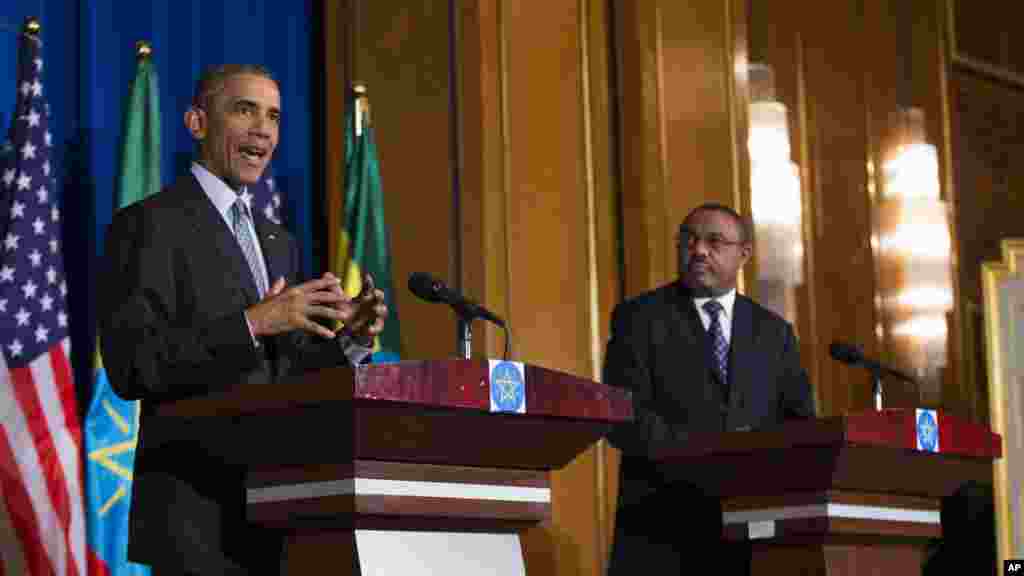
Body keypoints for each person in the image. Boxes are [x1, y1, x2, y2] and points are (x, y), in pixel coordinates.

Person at [99, 64, 388, 575]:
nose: (263, 129)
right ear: (196, 122)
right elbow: (133, 366)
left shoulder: (278, 242)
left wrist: (350, 343)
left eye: (273, 116)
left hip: (280, 513)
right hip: (195, 520)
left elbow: (286, 375)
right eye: (244, 109)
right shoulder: (149, 224)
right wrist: (252, 322)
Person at [602, 203, 814, 575]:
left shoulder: (774, 333)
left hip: (750, 536)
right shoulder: (639, 317)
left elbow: (798, 423)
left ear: (743, 253)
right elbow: (624, 415)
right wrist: (709, 459)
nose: (699, 250)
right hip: (660, 533)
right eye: (689, 240)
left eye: (714, 241)